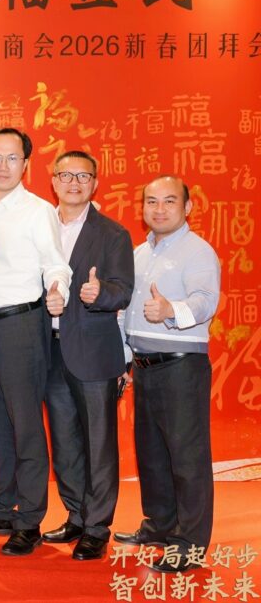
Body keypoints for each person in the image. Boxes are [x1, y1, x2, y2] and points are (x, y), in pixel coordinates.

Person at [0, 128, 72, 556]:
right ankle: (0, 506)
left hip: (20, 325)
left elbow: (56, 264)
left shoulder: (38, 210)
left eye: (13, 158)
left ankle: (29, 519)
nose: (4, 166)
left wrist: (58, 290)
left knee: (26, 426)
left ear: (26, 165)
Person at [116, 176, 220, 574]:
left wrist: (171, 311)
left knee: (187, 459)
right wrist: (125, 360)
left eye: (169, 201)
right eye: (151, 201)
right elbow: (127, 314)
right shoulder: (140, 253)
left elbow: (205, 301)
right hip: (144, 365)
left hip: (181, 365)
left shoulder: (198, 251)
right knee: (153, 454)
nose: (159, 209)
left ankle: (189, 544)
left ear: (188, 207)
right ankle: (160, 525)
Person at [42, 151, 134, 561]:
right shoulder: (41, 227)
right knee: (64, 442)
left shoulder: (112, 233)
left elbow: (123, 289)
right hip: (48, 350)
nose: (74, 183)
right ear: (53, 181)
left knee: (99, 442)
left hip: (94, 352)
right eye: (66, 175)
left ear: (95, 183)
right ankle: (76, 515)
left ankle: (97, 526)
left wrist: (100, 294)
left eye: (83, 176)